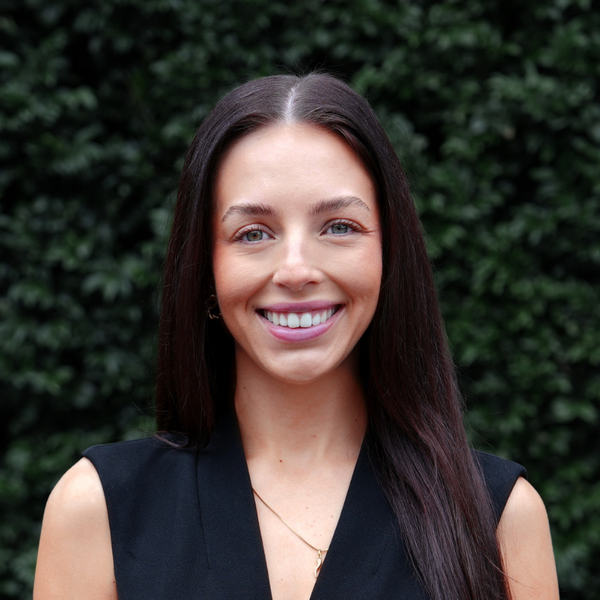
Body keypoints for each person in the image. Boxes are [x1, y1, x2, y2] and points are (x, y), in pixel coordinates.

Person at [34, 73, 559, 600]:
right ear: (206, 270)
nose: (296, 270)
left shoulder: (500, 519)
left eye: (339, 226)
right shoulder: (97, 511)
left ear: (389, 254)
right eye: (253, 234)